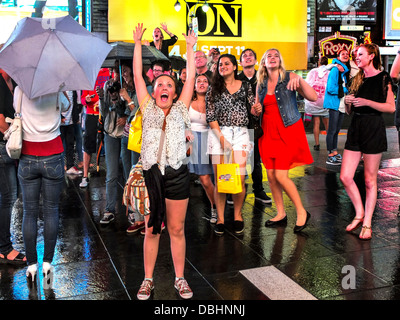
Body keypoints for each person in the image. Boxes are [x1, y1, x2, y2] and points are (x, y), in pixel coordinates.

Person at [133, 23, 197, 300]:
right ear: (154, 89)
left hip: (178, 174)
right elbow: (137, 75)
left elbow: (191, 77)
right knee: (151, 228)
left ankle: (179, 278)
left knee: (176, 228)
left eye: (169, 85)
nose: (164, 87)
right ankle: (148, 279)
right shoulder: (147, 106)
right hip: (152, 175)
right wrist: (138, 44)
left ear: (174, 92)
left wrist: (191, 49)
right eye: (160, 84)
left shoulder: (182, 108)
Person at [256, 48, 317, 232]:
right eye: (269, 56)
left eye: (276, 55)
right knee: (271, 175)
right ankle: (281, 213)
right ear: (264, 63)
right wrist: (255, 110)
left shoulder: (289, 78)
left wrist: (299, 80)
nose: (272, 58)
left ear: (280, 61)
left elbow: (313, 97)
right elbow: (257, 107)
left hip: (287, 129)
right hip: (267, 132)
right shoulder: (261, 84)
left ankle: (301, 212)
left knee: (281, 175)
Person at [15, 86, 70, 282]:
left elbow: (17, 109)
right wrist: (61, 90)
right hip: (53, 154)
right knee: (51, 210)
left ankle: (31, 265)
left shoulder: (20, 87)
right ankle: (47, 263)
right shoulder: (55, 86)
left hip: (27, 155)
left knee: (29, 212)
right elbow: (66, 107)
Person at [341, 43, 395, 240]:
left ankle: (367, 222)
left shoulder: (383, 77)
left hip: (373, 127)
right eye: (356, 54)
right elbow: (350, 110)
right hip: (356, 127)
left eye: (360, 54)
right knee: (345, 177)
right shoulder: (357, 78)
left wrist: (367, 102)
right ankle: (359, 212)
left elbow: (391, 108)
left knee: (369, 180)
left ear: (372, 56)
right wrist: (347, 103)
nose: (357, 57)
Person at [206, 53, 256, 236]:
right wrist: (222, 139)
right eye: (220, 64)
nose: (223, 66)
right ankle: (220, 218)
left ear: (235, 67)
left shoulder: (246, 86)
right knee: (221, 179)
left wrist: (256, 109)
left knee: (239, 178)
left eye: (227, 63)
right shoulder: (214, 88)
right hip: (219, 132)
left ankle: (237, 215)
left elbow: (253, 109)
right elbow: (210, 116)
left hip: (241, 133)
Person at [238, 48, 272, 204]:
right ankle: (237, 191)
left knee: (256, 160)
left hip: (259, 125)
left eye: (251, 55)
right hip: (239, 126)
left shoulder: (264, 77)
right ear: (240, 63)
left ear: (256, 61)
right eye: (244, 56)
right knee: (239, 160)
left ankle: (258, 190)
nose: (248, 57)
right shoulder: (236, 79)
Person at [0, 67, 26, 265]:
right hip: (3, 146)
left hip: (6, 147)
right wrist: (12, 135)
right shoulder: (1, 82)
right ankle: (4, 248)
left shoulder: (11, 83)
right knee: (8, 197)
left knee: (9, 195)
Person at [97, 65, 127, 225]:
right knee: (111, 174)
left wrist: (126, 117)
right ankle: (109, 209)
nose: (116, 75)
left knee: (129, 173)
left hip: (126, 135)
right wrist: (103, 98)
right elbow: (104, 112)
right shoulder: (107, 85)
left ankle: (132, 209)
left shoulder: (129, 86)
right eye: (114, 71)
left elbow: (134, 109)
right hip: (110, 133)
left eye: (120, 71)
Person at [187, 74, 216, 223]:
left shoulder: (214, 102)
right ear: (194, 85)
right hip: (195, 141)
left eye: (205, 81)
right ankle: (215, 206)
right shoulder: (188, 102)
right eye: (199, 81)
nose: (202, 83)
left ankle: (218, 209)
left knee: (218, 178)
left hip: (213, 139)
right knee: (204, 179)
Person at [79, 68, 110, 188]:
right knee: (88, 144)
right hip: (91, 114)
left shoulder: (108, 73)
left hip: (105, 114)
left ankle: (110, 175)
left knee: (107, 142)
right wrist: (86, 100)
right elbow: (82, 99)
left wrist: (102, 102)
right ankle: (85, 176)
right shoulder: (88, 75)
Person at [323, 49, 350, 165]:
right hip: (335, 104)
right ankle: (330, 155)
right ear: (338, 58)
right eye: (342, 54)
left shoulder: (343, 72)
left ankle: (334, 152)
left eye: (347, 54)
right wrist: (345, 90)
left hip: (341, 105)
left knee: (336, 130)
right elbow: (330, 88)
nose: (345, 55)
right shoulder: (335, 70)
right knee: (332, 130)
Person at [304, 56, 330, 151]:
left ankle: (317, 144)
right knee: (327, 124)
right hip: (325, 101)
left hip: (314, 101)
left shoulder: (312, 72)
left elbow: (307, 85)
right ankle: (329, 143)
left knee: (316, 123)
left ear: (319, 63)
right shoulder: (329, 72)